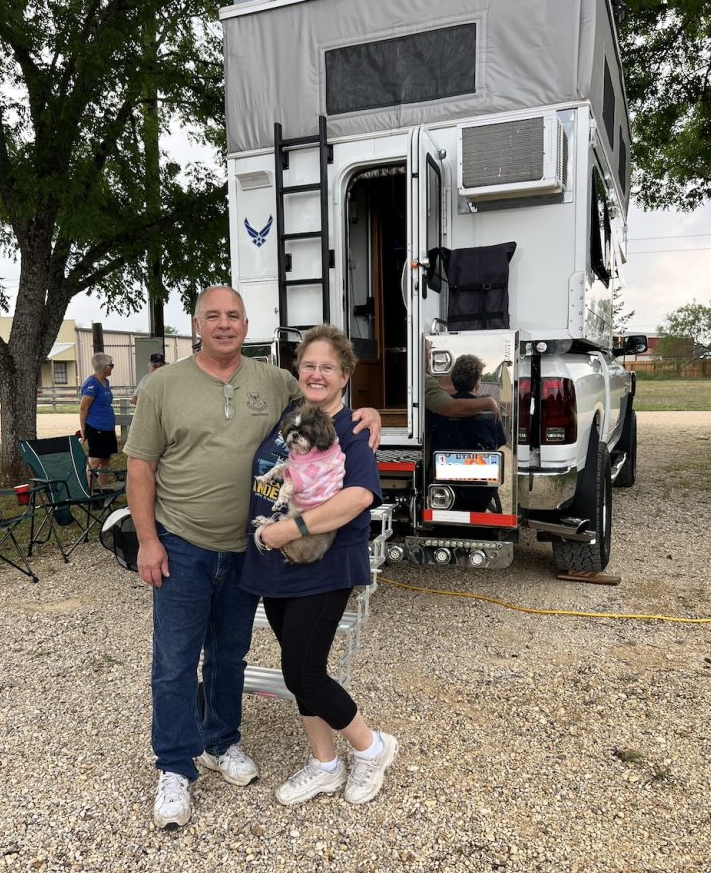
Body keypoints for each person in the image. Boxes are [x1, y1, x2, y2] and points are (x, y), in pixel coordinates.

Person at [123, 286, 381, 830]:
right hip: (183, 544)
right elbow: (141, 468)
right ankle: (174, 766)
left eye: (233, 315)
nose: (223, 324)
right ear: (195, 323)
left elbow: (328, 400)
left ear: (246, 323)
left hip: (249, 551)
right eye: (212, 316)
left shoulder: (272, 381)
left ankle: (222, 741)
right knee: (173, 663)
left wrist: (371, 412)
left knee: (230, 656)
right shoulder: (163, 385)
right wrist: (147, 539)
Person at [241, 325, 396, 807]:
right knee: (300, 668)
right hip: (277, 568)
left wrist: (288, 530)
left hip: (324, 566)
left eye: (328, 366)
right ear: (296, 370)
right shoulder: (289, 417)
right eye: (309, 364)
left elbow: (358, 497)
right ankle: (325, 764)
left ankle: (371, 748)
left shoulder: (351, 430)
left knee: (303, 673)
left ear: (345, 375)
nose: (316, 373)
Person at [429, 354, 507, 511]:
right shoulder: (490, 413)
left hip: (444, 489)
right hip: (479, 491)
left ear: (453, 380)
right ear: (478, 381)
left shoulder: (439, 408)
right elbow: (500, 442)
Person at [79, 353, 118, 488]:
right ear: (103, 367)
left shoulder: (106, 382)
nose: (112, 368)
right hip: (96, 427)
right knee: (95, 460)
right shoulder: (92, 384)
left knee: (106, 459)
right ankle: (88, 493)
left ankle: (102, 490)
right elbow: (83, 408)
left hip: (108, 427)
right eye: (111, 365)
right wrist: (84, 430)